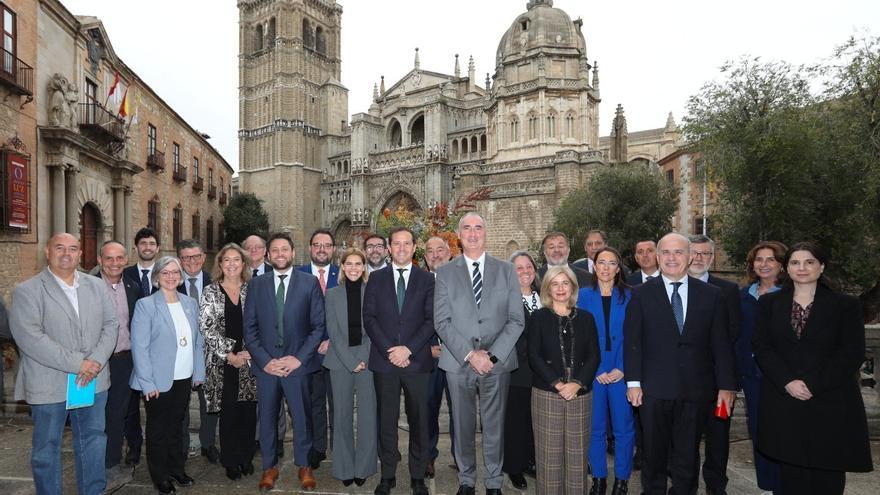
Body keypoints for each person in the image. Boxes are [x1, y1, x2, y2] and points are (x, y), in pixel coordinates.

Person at [752, 242, 873, 494]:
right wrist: (787, 381)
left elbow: (851, 353)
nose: (802, 268)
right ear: (786, 268)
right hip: (785, 402)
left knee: (827, 477)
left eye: (809, 262)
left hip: (830, 402)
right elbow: (762, 348)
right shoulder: (769, 303)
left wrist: (812, 384)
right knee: (791, 477)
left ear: (822, 267)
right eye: (795, 262)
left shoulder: (845, 305)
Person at [624, 233, 736, 495]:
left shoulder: (712, 295)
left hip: (696, 390)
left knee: (687, 455)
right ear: (658, 257)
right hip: (653, 390)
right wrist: (633, 383)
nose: (671, 258)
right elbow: (633, 342)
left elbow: (721, 344)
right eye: (665, 252)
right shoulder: (639, 294)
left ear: (690, 257)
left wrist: (726, 385)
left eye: (678, 252)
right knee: (653, 454)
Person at [10, 233, 119, 495]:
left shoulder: (96, 286)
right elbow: (30, 337)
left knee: (93, 441)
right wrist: (79, 363)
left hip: (92, 380)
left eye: (72, 249)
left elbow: (111, 325)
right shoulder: (27, 290)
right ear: (47, 252)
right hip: (49, 382)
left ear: (80, 254)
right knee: (46, 448)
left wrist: (95, 361)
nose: (66, 254)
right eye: (60, 248)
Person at [434, 212, 524, 495]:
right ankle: (466, 480)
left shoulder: (506, 270)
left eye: (478, 228)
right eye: (467, 228)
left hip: (497, 363)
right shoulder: (445, 272)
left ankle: (494, 482)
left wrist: (491, 356)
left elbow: (516, 320)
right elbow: (442, 321)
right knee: (462, 426)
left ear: (486, 232)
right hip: (458, 361)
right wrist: (471, 355)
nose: (473, 234)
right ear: (459, 236)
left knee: (494, 426)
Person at [243, 232, 325, 491]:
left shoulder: (309, 283)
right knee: (267, 418)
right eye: (275, 250)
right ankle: (269, 466)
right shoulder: (257, 285)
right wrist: (265, 361)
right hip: (267, 367)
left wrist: (298, 359)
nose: (280, 254)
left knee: (302, 418)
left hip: (297, 366)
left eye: (284, 249)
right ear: (269, 255)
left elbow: (318, 326)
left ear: (293, 252)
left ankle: (304, 464)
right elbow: (249, 329)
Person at [363, 227, 435, 495]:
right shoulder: (376, 278)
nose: (402, 248)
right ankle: (388, 475)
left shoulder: (426, 279)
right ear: (389, 249)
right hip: (385, 362)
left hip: (417, 362)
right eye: (397, 244)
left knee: (420, 420)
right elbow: (369, 318)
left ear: (414, 247)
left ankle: (418, 476)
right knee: (386, 419)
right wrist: (390, 350)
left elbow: (431, 320)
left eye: (407, 243)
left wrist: (409, 350)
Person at [130, 256, 205, 495]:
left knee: (177, 426)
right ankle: (160, 476)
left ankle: (176, 469)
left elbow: (198, 341)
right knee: (158, 430)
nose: (171, 277)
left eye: (175, 272)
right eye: (165, 272)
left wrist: (198, 372)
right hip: (156, 380)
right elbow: (139, 348)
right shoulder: (146, 305)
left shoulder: (190, 303)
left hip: (183, 376)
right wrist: (147, 383)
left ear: (180, 276)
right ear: (157, 277)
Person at [528, 265, 600, 494]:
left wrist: (577, 383)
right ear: (547, 289)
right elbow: (533, 355)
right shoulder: (538, 317)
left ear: (573, 287)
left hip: (580, 393)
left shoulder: (586, 318)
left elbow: (594, 356)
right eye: (555, 284)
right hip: (547, 392)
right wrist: (558, 384)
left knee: (577, 455)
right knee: (548, 456)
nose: (560, 288)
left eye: (565, 283)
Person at [687, 234, 742, 495]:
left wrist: (727, 382)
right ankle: (685, 486)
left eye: (705, 253)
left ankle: (716, 486)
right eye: (694, 253)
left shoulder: (727, 290)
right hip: (684, 381)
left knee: (718, 438)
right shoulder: (672, 286)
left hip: (719, 381)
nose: (699, 258)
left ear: (713, 257)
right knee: (685, 439)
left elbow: (731, 334)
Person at [199, 243, 257, 480]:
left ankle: (246, 457)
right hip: (222, 363)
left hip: (250, 361)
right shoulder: (210, 291)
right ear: (220, 264)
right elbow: (207, 327)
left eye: (236, 260)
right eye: (227, 260)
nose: (232, 264)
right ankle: (231, 460)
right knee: (229, 412)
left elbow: (263, 323)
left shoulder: (252, 289)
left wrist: (250, 352)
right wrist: (230, 355)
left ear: (244, 264)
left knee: (248, 412)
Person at [578, 248, 634, 495]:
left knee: (624, 428)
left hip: (622, 370)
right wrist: (597, 368)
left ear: (618, 269)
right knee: (595, 428)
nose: (606, 267)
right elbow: (579, 337)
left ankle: (622, 480)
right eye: (602, 262)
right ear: (594, 266)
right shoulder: (582, 296)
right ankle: (598, 479)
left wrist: (623, 367)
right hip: (594, 371)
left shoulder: (631, 296)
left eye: (612, 263)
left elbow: (635, 336)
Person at [324, 248, 378, 486]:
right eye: (349, 264)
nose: (354, 268)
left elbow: (375, 327)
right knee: (342, 415)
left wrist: (362, 358)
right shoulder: (332, 294)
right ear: (343, 267)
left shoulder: (373, 292)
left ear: (364, 267)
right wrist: (350, 361)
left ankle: (363, 468)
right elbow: (333, 332)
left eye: (358, 264)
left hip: (368, 359)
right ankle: (344, 468)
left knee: (368, 415)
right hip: (340, 360)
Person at [736, 240, 787, 494]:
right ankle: (767, 483)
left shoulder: (791, 296)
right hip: (751, 376)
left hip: (782, 377)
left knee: (784, 432)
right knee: (759, 430)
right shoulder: (743, 296)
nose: (764, 264)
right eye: (759, 259)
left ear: (781, 265)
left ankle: (784, 485)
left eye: (770, 259)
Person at [96, 240, 142, 490]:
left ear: (126, 260)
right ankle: (94, 463)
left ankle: (111, 463)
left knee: (117, 415)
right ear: (100, 260)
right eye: (109, 258)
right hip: (95, 363)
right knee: (93, 415)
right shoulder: (87, 287)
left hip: (124, 360)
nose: (114, 263)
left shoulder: (133, 287)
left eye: (119, 258)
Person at [297, 229, 337, 469]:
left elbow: (352, 314)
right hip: (308, 354)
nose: (322, 249)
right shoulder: (298, 275)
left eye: (327, 245)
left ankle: (339, 450)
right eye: (317, 245)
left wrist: (333, 340)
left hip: (336, 352)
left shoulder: (343, 274)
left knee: (339, 405)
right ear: (310, 247)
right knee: (314, 405)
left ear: (333, 249)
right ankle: (318, 448)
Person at [176, 239, 218, 463]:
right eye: (186, 257)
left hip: (210, 353)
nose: (191, 261)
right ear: (180, 260)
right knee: (181, 403)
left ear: (203, 257)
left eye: (195, 256)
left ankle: (208, 443)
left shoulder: (216, 283)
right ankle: (182, 446)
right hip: (180, 354)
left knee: (209, 402)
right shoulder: (170, 283)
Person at [121, 226, 161, 465]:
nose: (147, 247)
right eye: (143, 243)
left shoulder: (167, 274)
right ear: (136, 247)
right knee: (129, 404)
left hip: (158, 350)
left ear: (158, 248)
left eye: (152, 243)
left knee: (156, 403)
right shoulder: (123, 275)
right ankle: (134, 446)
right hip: (129, 349)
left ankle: (157, 449)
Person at [502, 251, 540, 490]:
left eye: (529, 267)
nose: (525, 271)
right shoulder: (505, 300)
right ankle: (514, 466)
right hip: (516, 369)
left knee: (535, 420)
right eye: (519, 268)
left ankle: (531, 460)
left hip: (542, 372)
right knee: (515, 420)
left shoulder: (545, 297)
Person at [423, 235, 454, 478]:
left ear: (450, 253)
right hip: (430, 357)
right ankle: (428, 457)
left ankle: (462, 457)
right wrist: (426, 349)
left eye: (440, 249)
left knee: (460, 412)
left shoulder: (463, 280)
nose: (436, 255)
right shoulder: (419, 283)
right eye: (430, 251)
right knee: (428, 410)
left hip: (458, 357)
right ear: (425, 257)